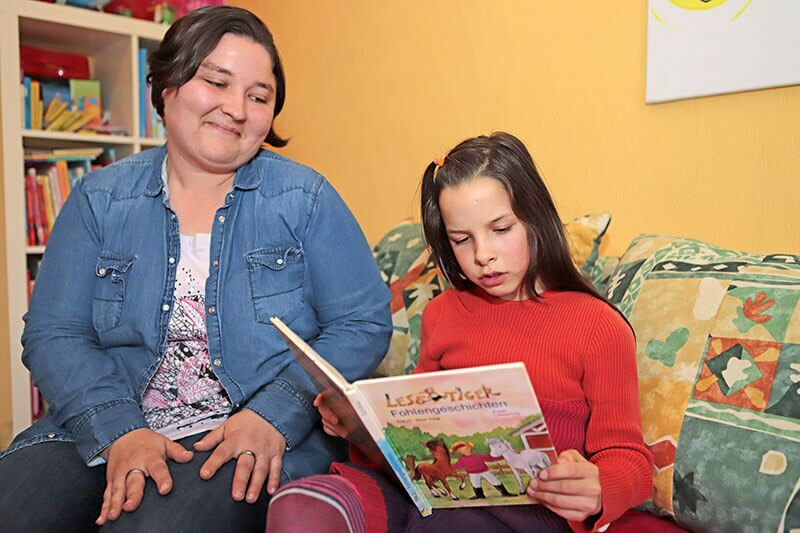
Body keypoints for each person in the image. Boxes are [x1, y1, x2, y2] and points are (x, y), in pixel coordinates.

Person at [0, 6, 391, 531]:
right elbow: (54, 333)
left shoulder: (304, 198)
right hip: (106, 422)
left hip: (238, 434)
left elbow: (363, 323)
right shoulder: (100, 200)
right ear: (168, 86)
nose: (237, 108)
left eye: (258, 96)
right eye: (216, 82)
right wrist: (120, 432)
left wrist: (274, 413)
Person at [267, 132, 661, 533]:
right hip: (424, 498)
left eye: (501, 229)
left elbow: (628, 456)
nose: (482, 255)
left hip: (523, 515)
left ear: (535, 218)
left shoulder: (597, 326)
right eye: (461, 239)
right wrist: (362, 430)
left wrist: (598, 486)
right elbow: (414, 436)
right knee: (301, 505)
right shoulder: (442, 314)